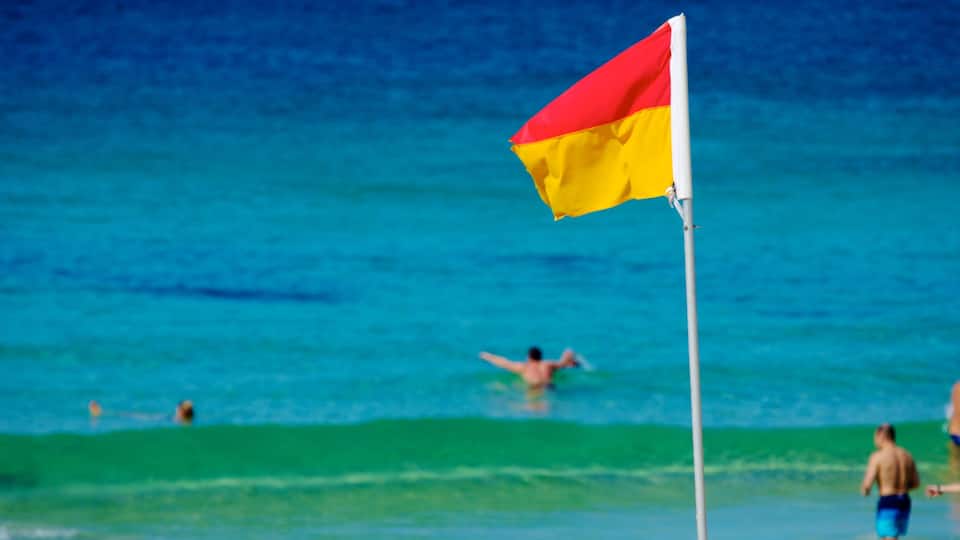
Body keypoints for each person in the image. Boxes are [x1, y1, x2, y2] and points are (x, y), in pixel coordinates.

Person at [861, 423, 920, 539]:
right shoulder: (907, 455)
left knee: (888, 536)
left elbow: (867, 484)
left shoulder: (878, 456)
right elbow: (916, 483)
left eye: (875, 437)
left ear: (881, 436)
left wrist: (865, 490)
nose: (875, 441)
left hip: (888, 500)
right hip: (904, 501)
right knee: (894, 536)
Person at [479, 346, 579, 389]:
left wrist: (487, 356)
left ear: (528, 357)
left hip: (534, 387)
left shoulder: (524, 366)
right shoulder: (548, 364)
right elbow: (563, 363)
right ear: (540, 356)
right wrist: (569, 355)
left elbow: (504, 363)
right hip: (549, 386)